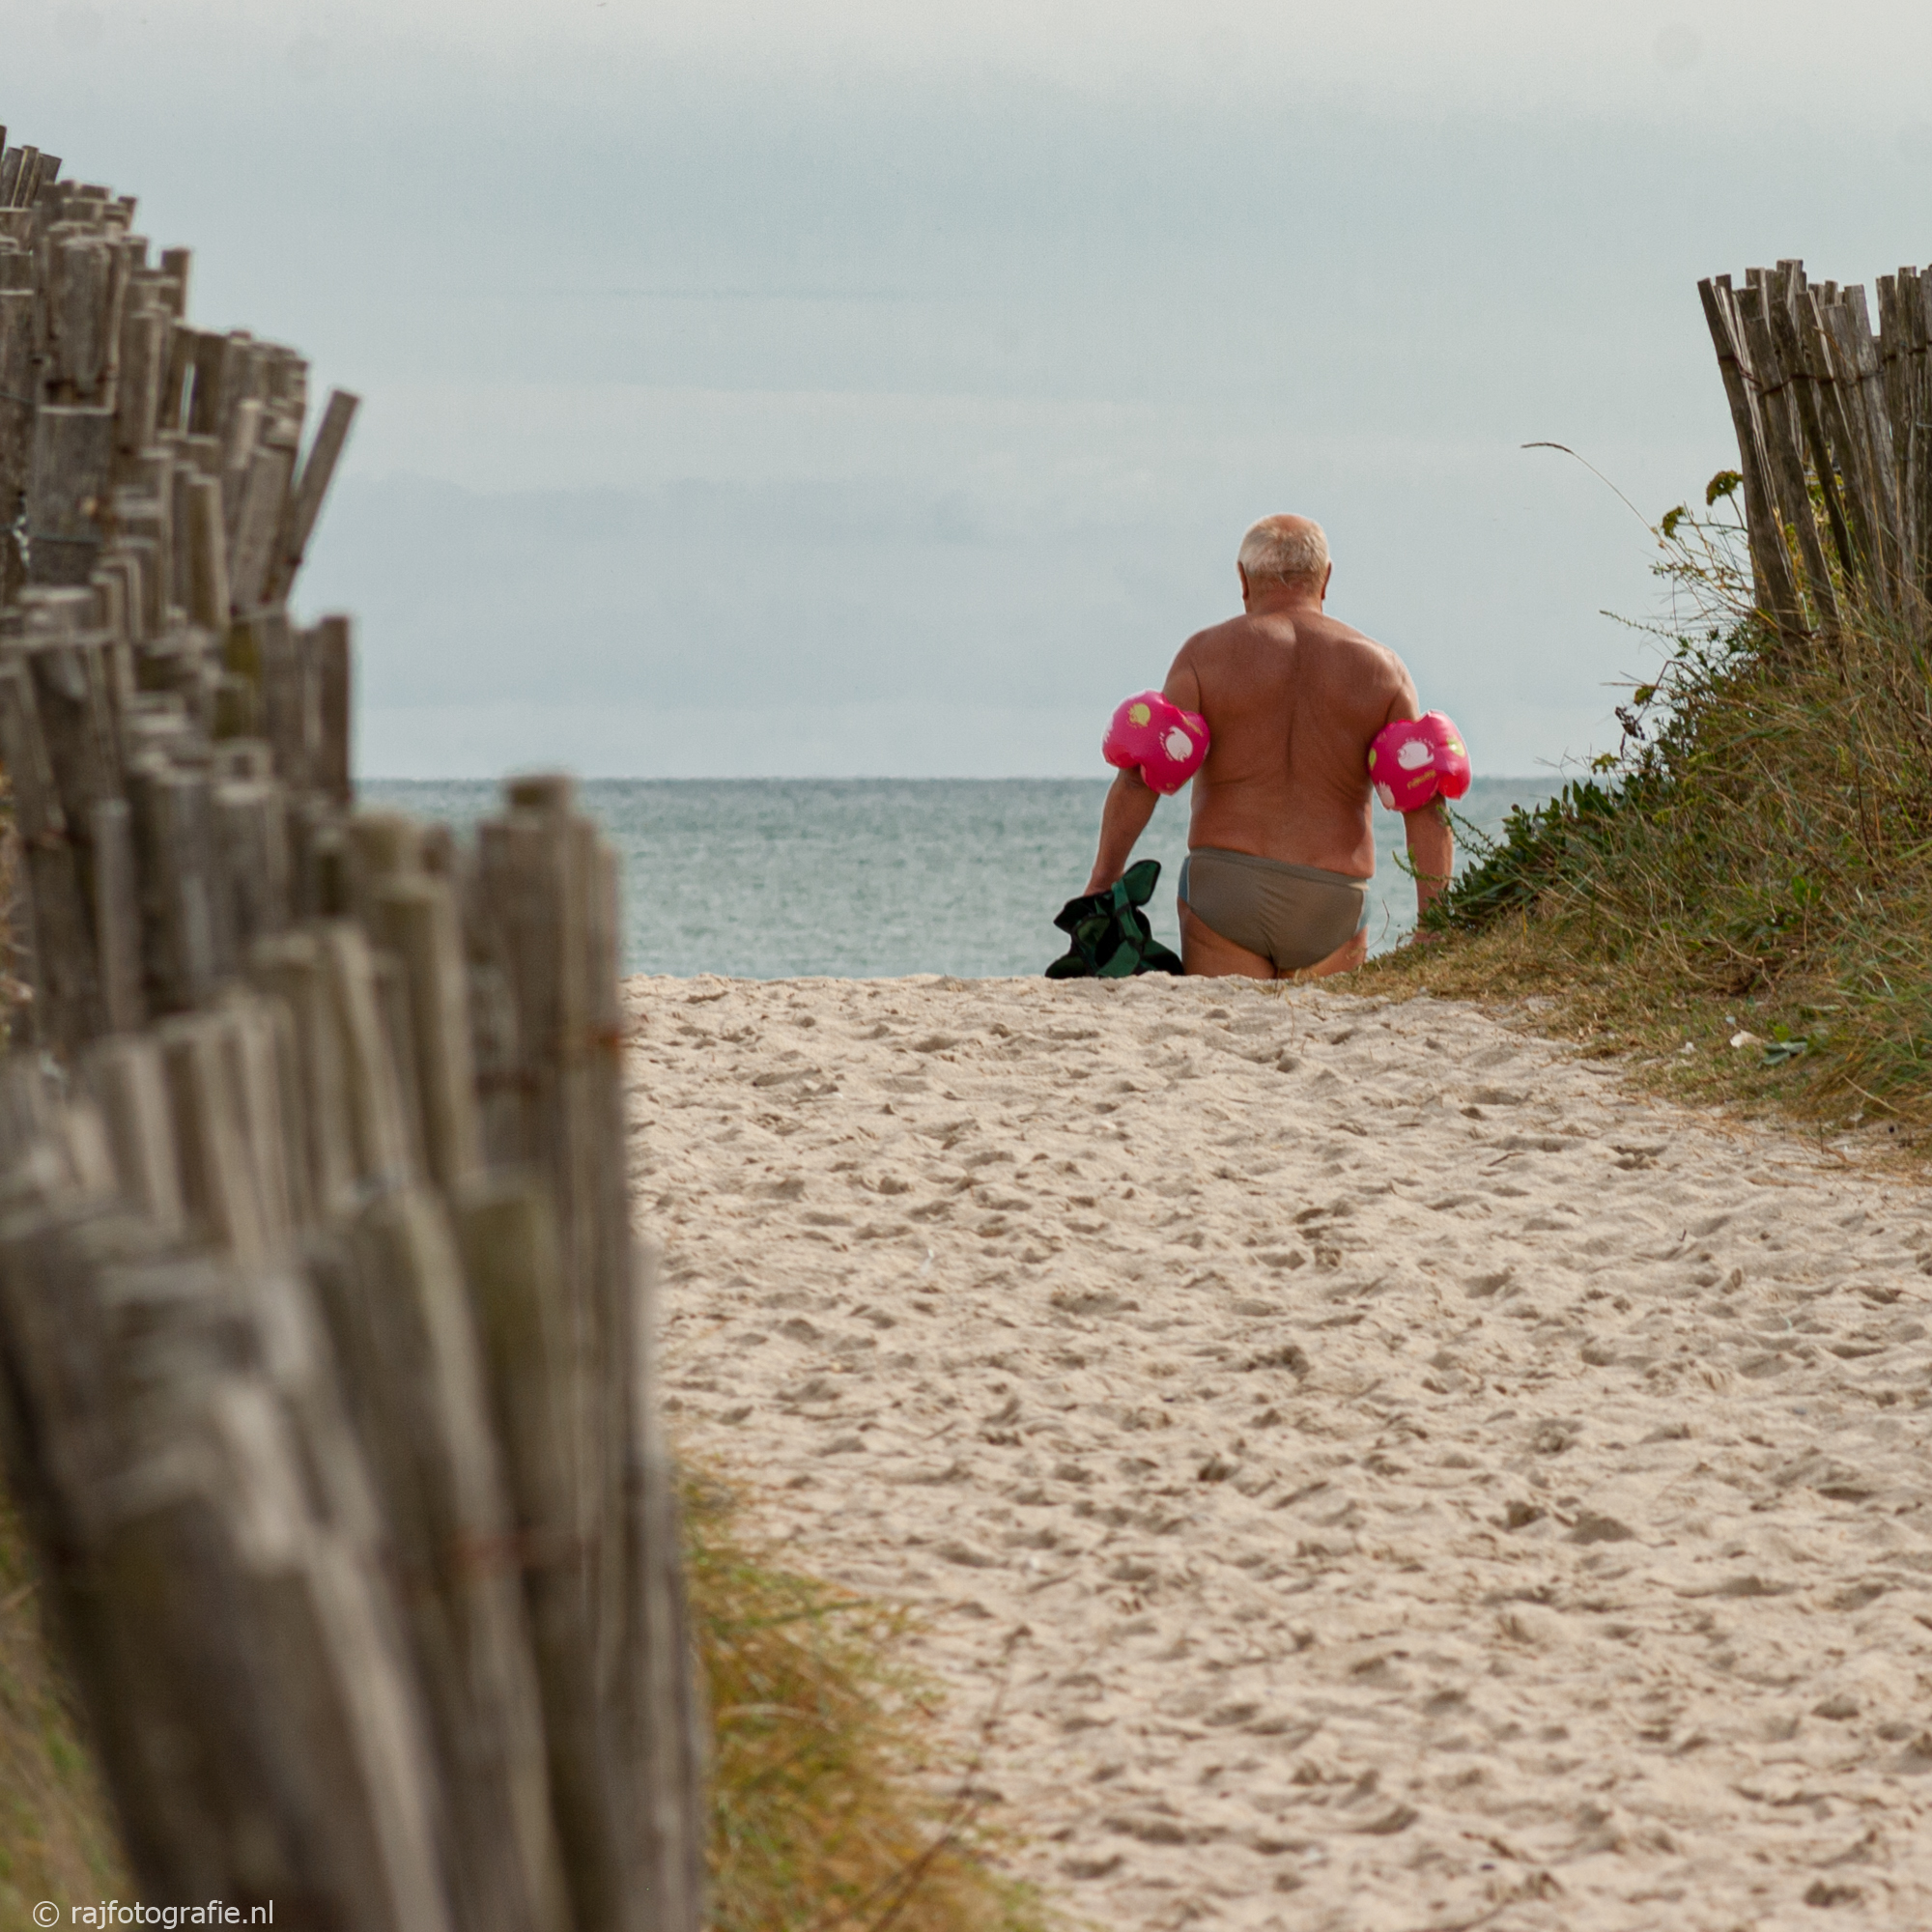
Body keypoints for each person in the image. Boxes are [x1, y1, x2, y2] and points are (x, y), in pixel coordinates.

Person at [1081, 514, 1452, 980]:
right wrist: (1433, 924)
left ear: (1242, 579)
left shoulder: (1204, 655)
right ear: (1326, 577)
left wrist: (1103, 880)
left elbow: (1142, 776)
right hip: (1333, 900)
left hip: (1227, 893)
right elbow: (1423, 800)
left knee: (1225, 1045)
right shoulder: (1382, 670)